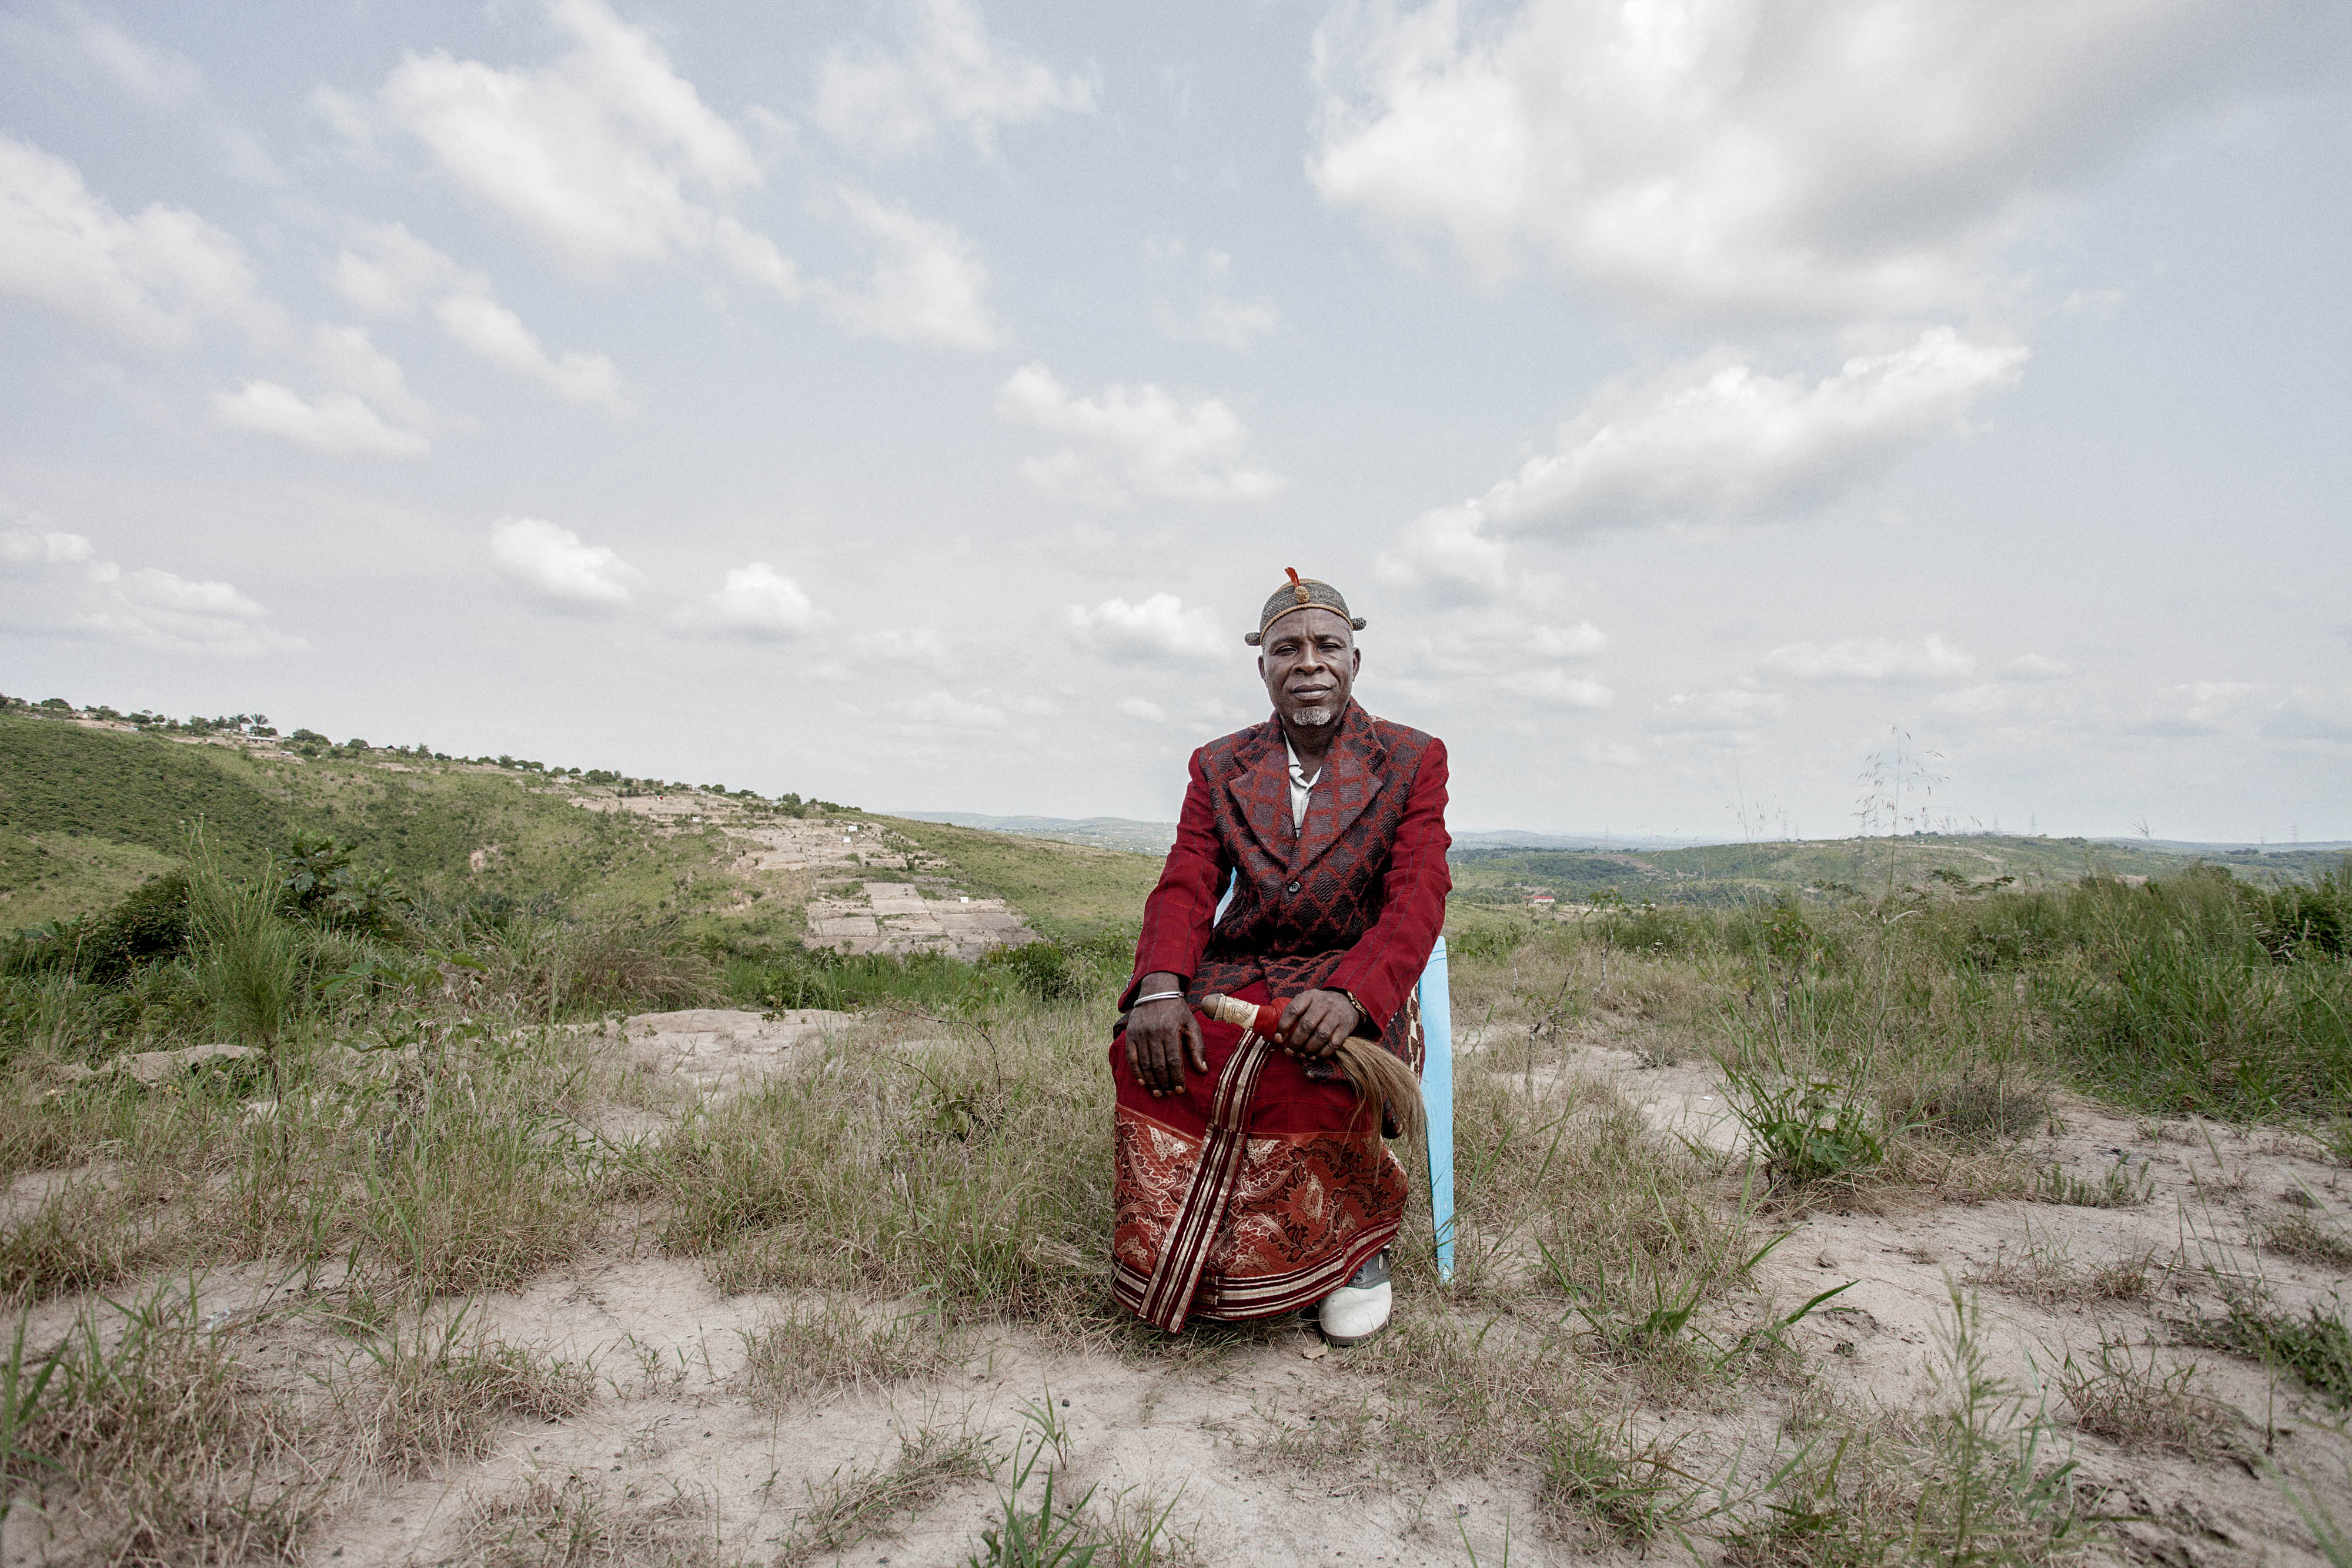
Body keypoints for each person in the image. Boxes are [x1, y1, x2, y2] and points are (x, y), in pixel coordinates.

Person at [1111, 570, 1450, 1343]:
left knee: (1318, 1075)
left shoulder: (1410, 758)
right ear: (1261, 665)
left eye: (1328, 645)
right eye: (1286, 648)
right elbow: (1190, 876)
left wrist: (1356, 998)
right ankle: (1187, 1250)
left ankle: (1353, 1249)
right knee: (1156, 1053)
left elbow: (1418, 890)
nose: (1309, 662)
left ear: (1354, 661)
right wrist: (1161, 987)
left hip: (1350, 970)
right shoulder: (1219, 764)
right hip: (1243, 967)